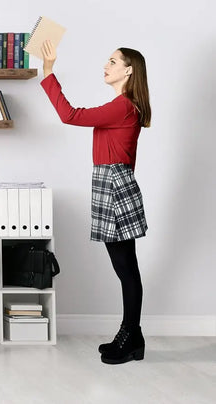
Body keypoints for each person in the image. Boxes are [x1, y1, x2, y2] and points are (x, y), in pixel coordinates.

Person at [40, 40, 151, 365]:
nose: (106, 65)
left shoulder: (123, 106)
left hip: (115, 186)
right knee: (125, 267)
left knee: (126, 269)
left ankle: (130, 336)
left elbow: (70, 115)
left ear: (129, 70)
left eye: (113, 61)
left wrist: (48, 72)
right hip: (109, 185)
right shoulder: (123, 106)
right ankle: (132, 334)